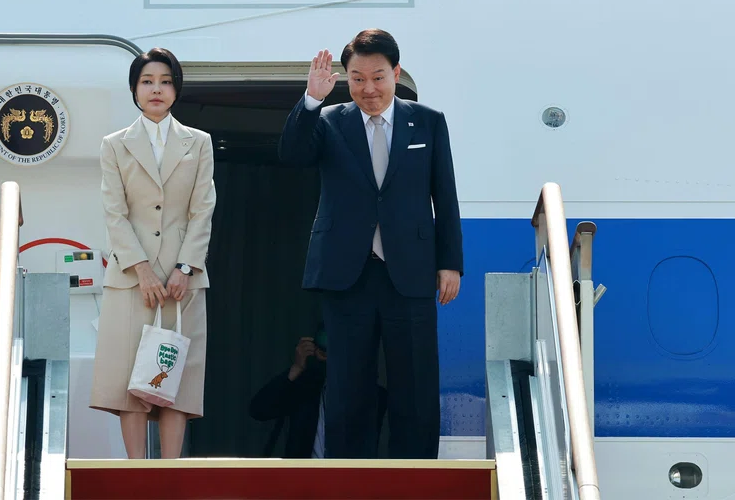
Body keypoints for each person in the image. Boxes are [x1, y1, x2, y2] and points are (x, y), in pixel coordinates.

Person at [278, 28, 463, 459]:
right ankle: (348, 479)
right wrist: (311, 99)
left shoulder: (428, 121)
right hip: (348, 274)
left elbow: (445, 195)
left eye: (378, 77)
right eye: (357, 78)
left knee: (414, 384)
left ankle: (415, 479)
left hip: (411, 272)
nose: (369, 89)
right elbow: (292, 154)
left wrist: (450, 263)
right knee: (348, 386)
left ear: (396, 73)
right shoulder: (328, 119)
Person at [90, 47, 216, 459]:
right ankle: (136, 475)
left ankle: (169, 476)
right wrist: (142, 269)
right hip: (131, 279)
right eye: (147, 81)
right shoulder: (114, 145)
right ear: (134, 90)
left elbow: (203, 209)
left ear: (176, 89)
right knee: (131, 381)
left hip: (184, 279)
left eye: (164, 81)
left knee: (173, 377)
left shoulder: (199, 142)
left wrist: (184, 266)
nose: (156, 89)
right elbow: (114, 212)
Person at [249, 325, 387, 459]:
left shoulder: (372, 396)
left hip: (349, 477)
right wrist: (297, 368)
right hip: (304, 477)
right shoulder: (306, 388)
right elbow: (259, 410)